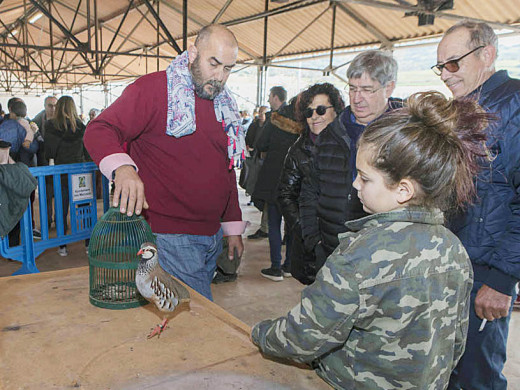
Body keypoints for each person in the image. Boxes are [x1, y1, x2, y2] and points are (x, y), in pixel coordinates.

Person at [252, 91, 491, 389]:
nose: (355, 184)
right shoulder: (454, 249)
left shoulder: (359, 255)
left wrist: (261, 333)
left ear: (403, 190)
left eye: (365, 178)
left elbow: (303, 336)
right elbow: (455, 342)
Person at [84, 24, 246, 301]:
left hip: (211, 234)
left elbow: (226, 169)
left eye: (228, 68)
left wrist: (232, 227)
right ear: (193, 53)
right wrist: (123, 168)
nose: (220, 77)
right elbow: (99, 129)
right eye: (214, 64)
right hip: (170, 236)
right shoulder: (154, 90)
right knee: (195, 316)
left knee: (184, 316)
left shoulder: (225, 107)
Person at [433, 20, 520, 390]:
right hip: (453, 265)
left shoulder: (513, 105)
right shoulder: (463, 110)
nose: (445, 75)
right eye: (440, 67)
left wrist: (502, 280)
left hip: (486, 273)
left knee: (476, 377)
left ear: (486, 54)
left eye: (453, 64)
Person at [307, 50, 401, 276]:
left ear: (388, 88)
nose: (357, 98)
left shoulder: (404, 137)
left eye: (367, 90)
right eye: (352, 88)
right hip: (332, 252)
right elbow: (309, 190)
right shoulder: (330, 135)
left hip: (386, 257)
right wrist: (313, 240)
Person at [278, 83, 344, 285]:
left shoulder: (352, 145)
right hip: (313, 250)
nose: (314, 116)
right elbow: (285, 195)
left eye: (321, 110)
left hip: (345, 243)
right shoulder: (299, 151)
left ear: (336, 111)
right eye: (309, 112)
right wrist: (308, 233)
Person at [253, 89, 301, 281]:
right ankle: (289, 265)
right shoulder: (306, 124)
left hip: (274, 178)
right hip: (296, 179)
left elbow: (261, 143)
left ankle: (275, 268)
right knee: (290, 223)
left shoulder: (276, 120)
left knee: (274, 223)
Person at [44, 96, 88, 257]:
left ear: (58, 107)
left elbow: (49, 151)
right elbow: (86, 151)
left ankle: (62, 246)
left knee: (61, 209)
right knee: (84, 207)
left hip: (61, 172)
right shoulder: (81, 126)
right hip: (80, 172)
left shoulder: (50, 126)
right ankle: (88, 243)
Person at [33, 96, 58, 228]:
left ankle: (59, 221)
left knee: (59, 194)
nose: (53, 108)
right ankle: (47, 221)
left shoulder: (62, 120)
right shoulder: (36, 121)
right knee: (46, 195)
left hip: (60, 164)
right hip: (43, 164)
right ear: (44, 106)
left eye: (55, 105)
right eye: (50, 105)